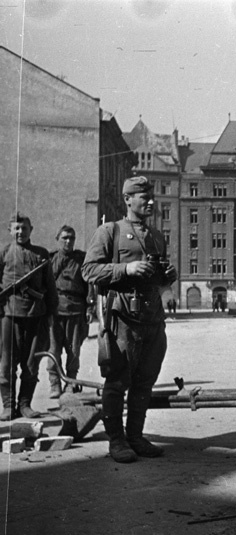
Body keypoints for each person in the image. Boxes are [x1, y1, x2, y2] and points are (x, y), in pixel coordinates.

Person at [82, 176, 177, 463]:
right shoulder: (109, 231)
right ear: (127, 199)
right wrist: (126, 268)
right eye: (142, 196)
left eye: (150, 196)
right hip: (121, 318)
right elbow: (89, 271)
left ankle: (135, 435)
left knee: (145, 381)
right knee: (117, 380)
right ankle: (116, 440)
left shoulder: (157, 235)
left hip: (151, 319)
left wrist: (167, 280)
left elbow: (158, 278)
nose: (149, 201)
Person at [0, 213, 57, 420]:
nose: (20, 232)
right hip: (9, 315)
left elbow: (50, 287)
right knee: (6, 364)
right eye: (16, 228)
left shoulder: (41, 255)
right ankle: (8, 406)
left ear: (31, 230)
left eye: (24, 228)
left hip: (36, 315)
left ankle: (25, 405)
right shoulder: (4, 253)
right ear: (10, 230)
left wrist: (51, 313)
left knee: (31, 363)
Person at [47, 225, 92, 399]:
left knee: (74, 351)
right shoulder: (50, 260)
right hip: (55, 310)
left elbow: (90, 285)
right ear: (57, 239)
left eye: (71, 238)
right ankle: (55, 384)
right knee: (53, 350)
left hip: (75, 308)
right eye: (65, 237)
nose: (68, 241)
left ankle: (71, 383)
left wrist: (90, 308)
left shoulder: (81, 259)